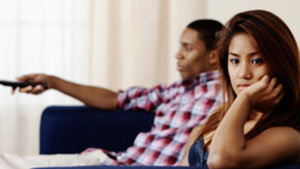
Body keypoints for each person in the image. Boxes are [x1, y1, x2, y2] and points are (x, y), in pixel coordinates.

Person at [1, 19, 224, 168]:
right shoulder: (175, 90)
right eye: (179, 47)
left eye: (187, 48)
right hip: (113, 160)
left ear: (213, 56)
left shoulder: (225, 96)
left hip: (134, 167)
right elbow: (115, 99)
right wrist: (52, 82)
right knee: (7, 161)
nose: (178, 55)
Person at [180, 10, 300, 168]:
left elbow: (220, 160)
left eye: (257, 61)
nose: (243, 73)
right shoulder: (221, 113)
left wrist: (246, 98)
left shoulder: (290, 135)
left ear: (281, 64)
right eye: (235, 60)